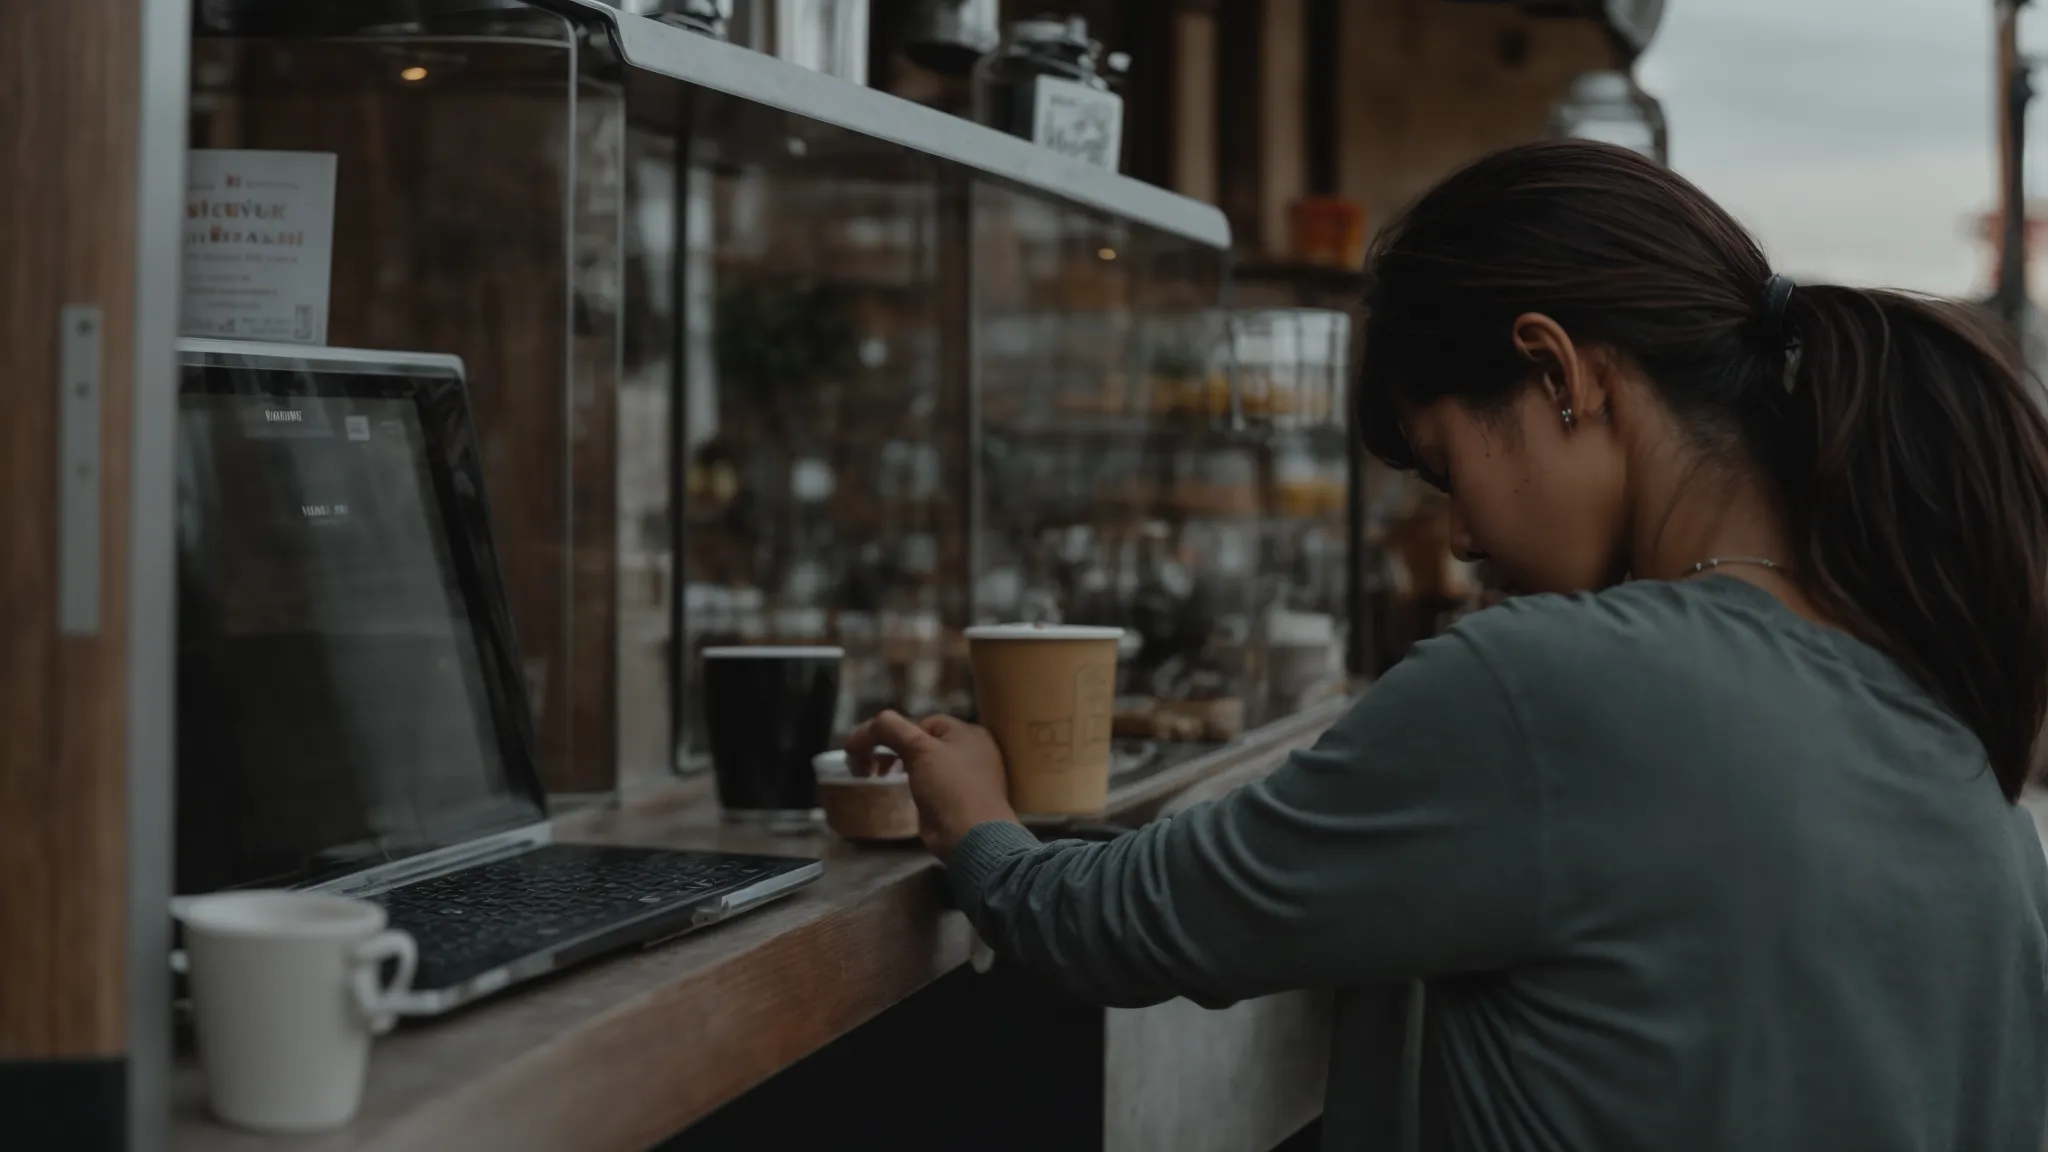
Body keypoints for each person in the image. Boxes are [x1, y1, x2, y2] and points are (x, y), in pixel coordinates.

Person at [846, 140, 2048, 1150]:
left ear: (1555, 372)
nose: (1461, 534)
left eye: (1443, 468)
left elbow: (1123, 922)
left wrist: (982, 831)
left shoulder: (1547, 682)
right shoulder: (1933, 711)